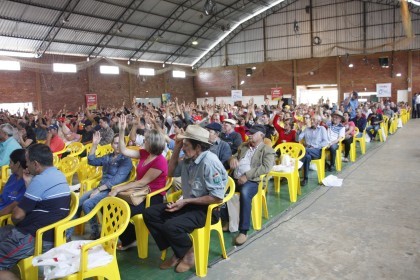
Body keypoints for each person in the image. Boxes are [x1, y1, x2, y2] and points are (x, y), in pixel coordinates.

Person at [143, 125, 227, 273]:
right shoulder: (189, 158)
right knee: (150, 213)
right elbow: (170, 172)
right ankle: (180, 250)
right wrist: (176, 148)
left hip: (207, 210)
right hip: (188, 204)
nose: (183, 149)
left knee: (170, 226)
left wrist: (185, 202)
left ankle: (188, 254)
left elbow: (217, 198)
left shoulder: (209, 162)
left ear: (198, 147)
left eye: (186, 146)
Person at [0, 144, 70, 271]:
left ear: (36, 164)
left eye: (27, 162)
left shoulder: (40, 180)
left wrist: (17, 220)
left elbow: (17, 215)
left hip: (35, 236)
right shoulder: (57, 174)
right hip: (38, 231)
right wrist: (28, 182)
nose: (26, 165)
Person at [108, 115, 168, 250]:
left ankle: (130, 238)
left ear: (152, 143)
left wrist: (118, 188)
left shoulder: (160, 160)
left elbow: (142, 182)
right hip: (139, 192)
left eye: (145, 141)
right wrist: (122, 131)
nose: (143, 143)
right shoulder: (145, 153)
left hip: (152, 197)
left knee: (120, 208)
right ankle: (130, 237)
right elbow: (124, 150)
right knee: (112, 204)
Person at [66, 132, 132, 240]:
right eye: (115, 143)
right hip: (101, 188)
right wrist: (94, 145)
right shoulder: (108, 157)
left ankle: (95, 231)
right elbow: (91, 161)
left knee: (87, 204)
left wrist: (98, 190)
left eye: (120, 143)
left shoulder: (126, 160)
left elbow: (117, 180)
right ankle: (67, 236)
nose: (118, 146)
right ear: (111, 145)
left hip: (112, 190)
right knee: (78, 203)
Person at [228, 124, 275, 245]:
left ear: (261, 135)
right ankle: (228, 219)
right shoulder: (243, 146)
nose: (249, 135)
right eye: (249, 133)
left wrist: (247, 175)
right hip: (235, 176)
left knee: (244, 193)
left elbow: (266, 167)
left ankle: (243, 231)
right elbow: (234, 156)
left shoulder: (267, 150)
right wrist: (232, 159)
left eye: (253, 133)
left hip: (252, 180)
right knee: (220, 189)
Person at [297, 115, 329, 186]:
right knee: (307, 157)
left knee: (305, 150)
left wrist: (314, 146)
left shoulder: (322, 129)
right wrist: (299, 130)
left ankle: (296, 167)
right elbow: (298, 139)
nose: (312, 121)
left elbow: (325, 142)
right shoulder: (307, 129)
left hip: (317, 151)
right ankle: (305, 179)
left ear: (318, 121)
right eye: (311, 119)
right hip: (307, 151)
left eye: (314, 120)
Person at [0, 149, 27, 216]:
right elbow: (2, 196)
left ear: (17, 164)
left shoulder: (26, 183)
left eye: (11, 162)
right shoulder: (13, 177)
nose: (9, 166)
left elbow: (12, 207)